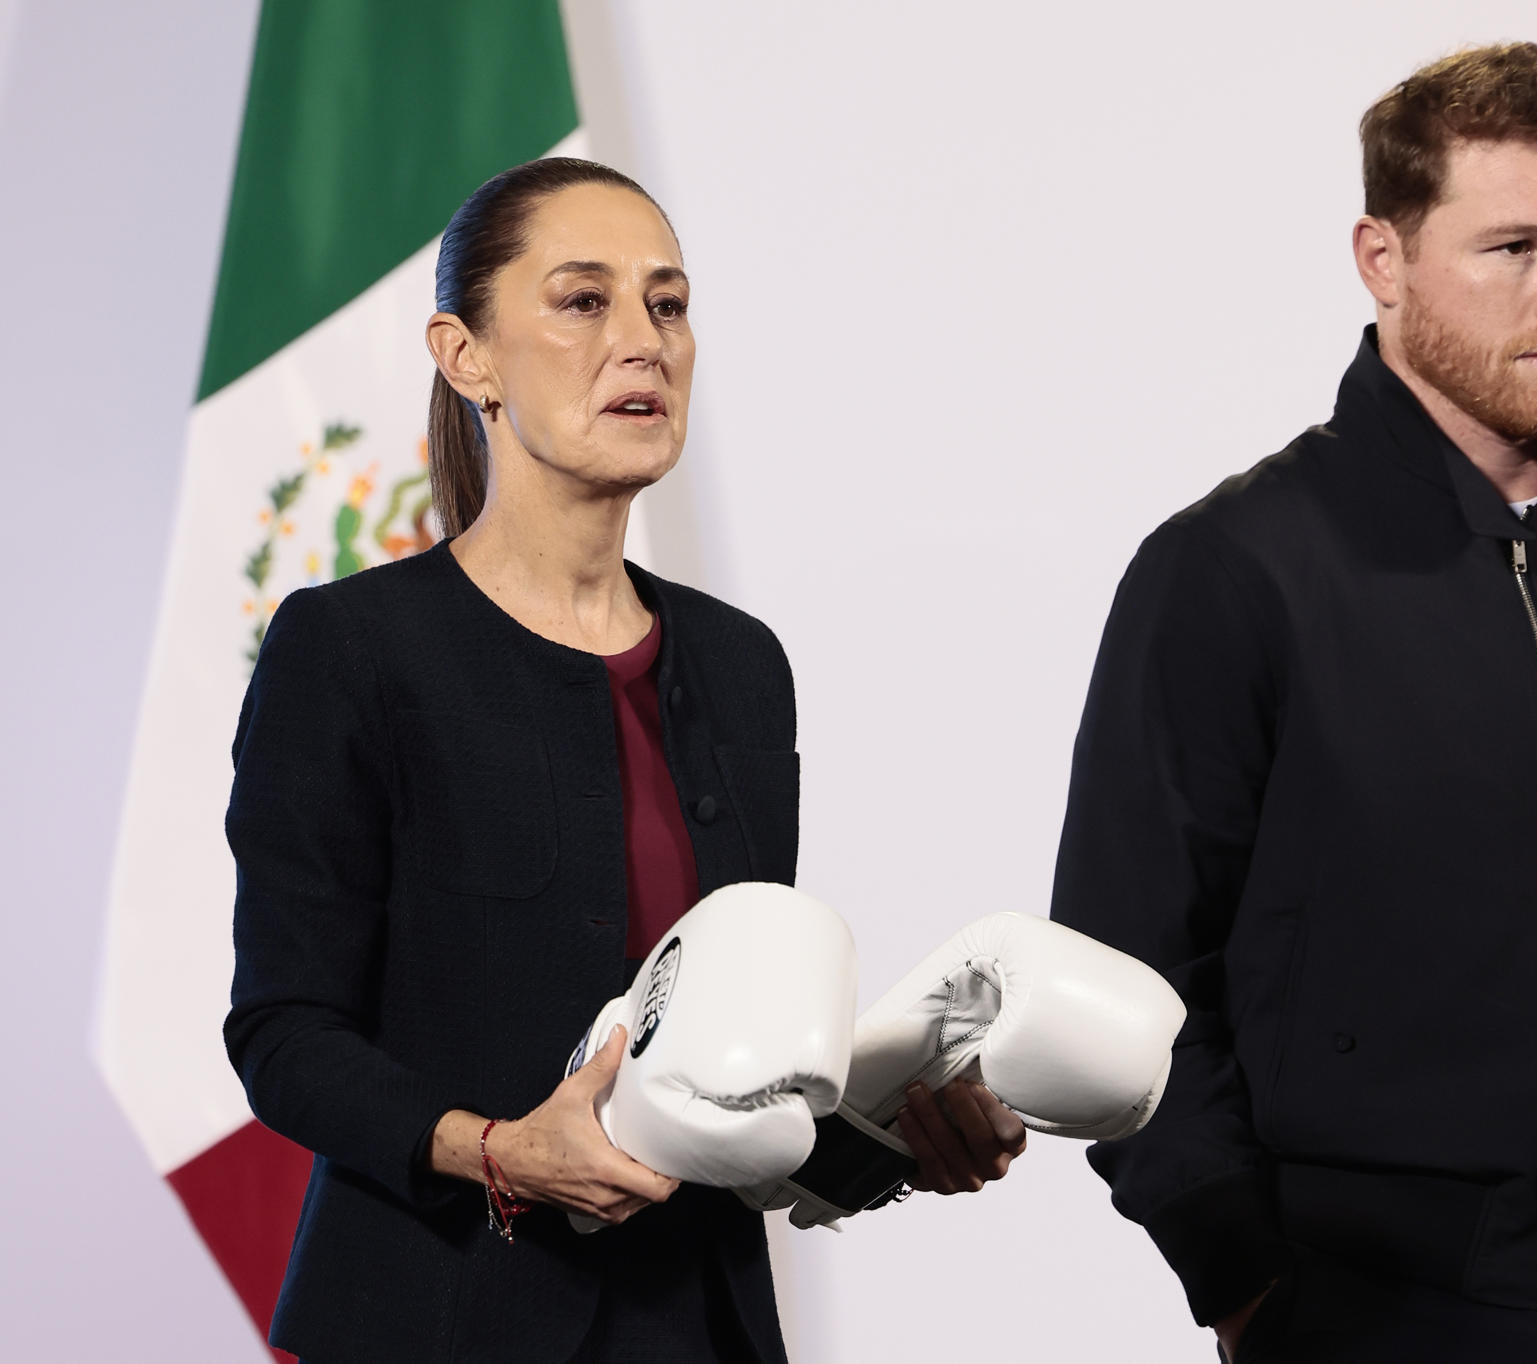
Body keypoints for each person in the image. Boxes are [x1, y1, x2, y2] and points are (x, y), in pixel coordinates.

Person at [1050, 43, 1537, 1363]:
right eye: (1514, 247)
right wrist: (1247, 1280)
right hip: (1376, 1315)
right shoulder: (1236, 572)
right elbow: (1122, 973)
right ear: (1383, 257)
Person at [225, 157, 1025, 1364]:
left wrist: (904, 1142)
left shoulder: (742, 662)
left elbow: (728, 1085)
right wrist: (495, 1150)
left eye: (668, 303)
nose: (642, 341)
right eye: (583, 300)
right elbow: (285, 1035)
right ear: (466, 356)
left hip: (700, 1325)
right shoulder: (350, 650)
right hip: (438, 1323)